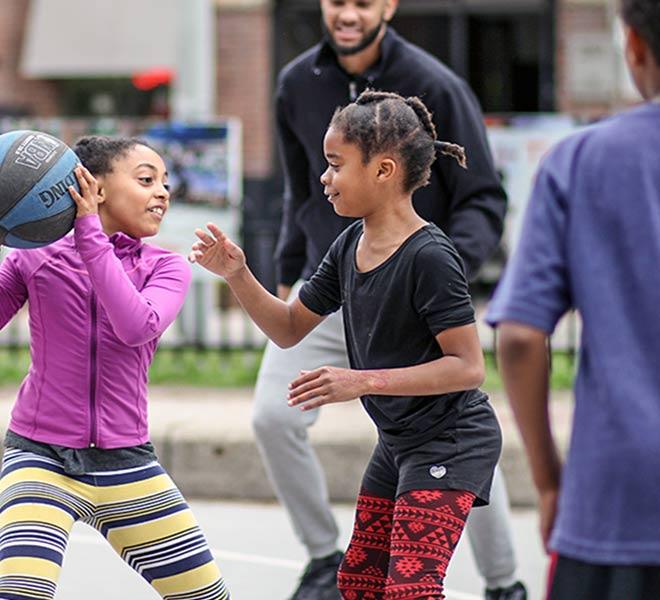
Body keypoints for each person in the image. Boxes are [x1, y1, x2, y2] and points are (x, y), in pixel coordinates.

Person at [255, 1, 526, 599]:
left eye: (362, 1)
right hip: (347, 299)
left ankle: (505, 582)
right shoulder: (299, 82)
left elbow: (483, 197)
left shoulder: (434, 83)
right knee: (356, 579)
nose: (347, 12)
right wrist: (253, 271)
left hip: (426, 340)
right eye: (337, 1)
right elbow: (298, 196)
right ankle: (323, 557)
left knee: (414, 576)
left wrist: (433, 271)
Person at [191, 90, 503, 600]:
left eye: (336, 165)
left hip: (451, 438)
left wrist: (362, 382)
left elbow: (468, 368)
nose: (324, 178)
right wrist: (238, 274)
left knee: (410, 589)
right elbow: (289, 328)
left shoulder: (430, 257)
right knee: (358, 582)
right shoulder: (349, 245)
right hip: (399, 441)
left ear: (383, 171)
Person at [0, 137, 230, 600]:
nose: (163, 192)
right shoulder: (34, 258)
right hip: (39, 458)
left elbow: (134, 325)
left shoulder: (166, 266)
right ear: (94, 188)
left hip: (127, 463)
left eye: (165, 182)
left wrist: (88, 236)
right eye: (146, 180)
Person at [486, 1, 660, 598]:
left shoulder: (580, 161)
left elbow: (519, 336)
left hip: (614, 500)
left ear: (633, 45)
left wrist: (551, 481)